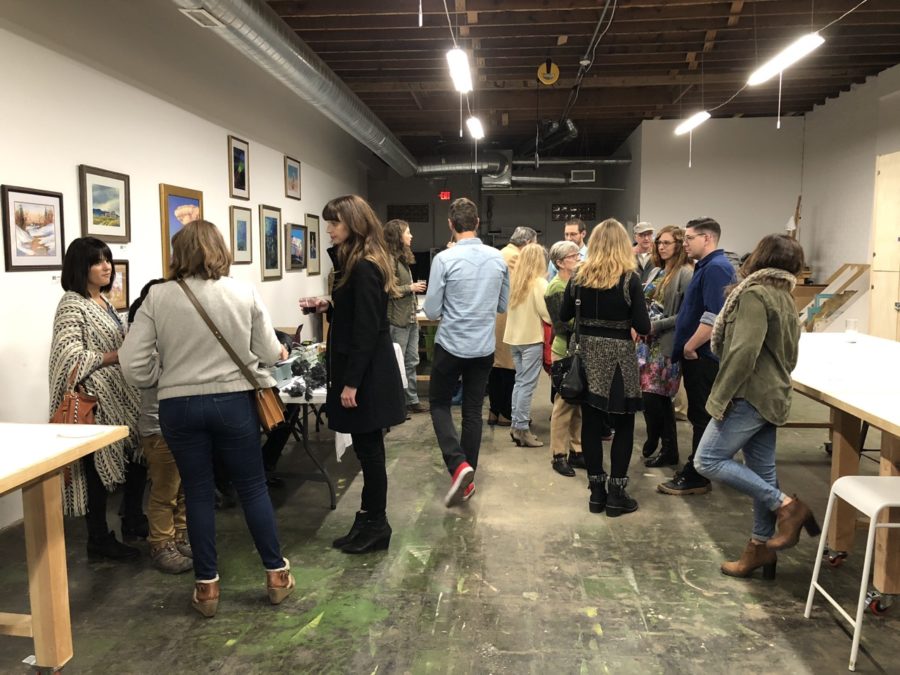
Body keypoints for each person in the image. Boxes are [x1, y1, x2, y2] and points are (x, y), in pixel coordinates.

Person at [120, 220, 294, 617]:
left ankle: (207, 587)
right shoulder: (242, 290)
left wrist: (163, 377)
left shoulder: (158, 297)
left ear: (178, 254)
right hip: (233, 402)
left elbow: (133, 367)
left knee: (197, 492)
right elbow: (268, 352)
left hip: (178, 406)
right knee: (252, 487)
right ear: (220, 249)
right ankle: (276, 575)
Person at [695, 234, 819, 578]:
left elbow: (742, 352)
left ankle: (788, 507)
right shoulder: (784, 297)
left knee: (707, 460)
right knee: (762, 473)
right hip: (773, 395)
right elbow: (790, 356)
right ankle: (759, 550)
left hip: (748, 395)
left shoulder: (752, 295)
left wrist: (719, 397)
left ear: (758, 259)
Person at [317, 195, 407, 554]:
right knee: (369, 452)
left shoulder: (366, 266)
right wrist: (330, 305)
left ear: (353, 224)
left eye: (335, 223)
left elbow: (367, 328)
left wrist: (352, 382)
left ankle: (376, 523)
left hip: (366, 375)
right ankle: (369, 519)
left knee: (370, 453)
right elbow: (357, 312)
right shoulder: (355, 264)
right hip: (363, 370)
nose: (329, 229)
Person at [49, 237, 144, 561]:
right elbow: (68, 356)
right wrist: (119, 354)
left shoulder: (103, 301)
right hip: (94, 400)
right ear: (81, 267)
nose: (107, 267)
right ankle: (98, 538)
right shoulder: (72, 303)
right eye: (98, 261)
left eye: (108, 260)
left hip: (120, 395)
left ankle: (133, 518)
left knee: (135, 458)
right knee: (96, 471)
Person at [560, 219, 651, 517]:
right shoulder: (629, 279)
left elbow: (563, 316)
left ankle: (596, 492)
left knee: (591, 422)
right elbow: (643, 325)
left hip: (586, 355)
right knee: (623, 424)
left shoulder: (578, 277)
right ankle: (616, 494)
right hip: (618, 358)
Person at [424, 197, 509, 507]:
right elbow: (502, 305)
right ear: (477, 224)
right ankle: (467, 479)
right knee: (473, 410)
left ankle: (458, 465)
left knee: (438, 403)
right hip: (483, 347)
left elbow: (432, 310)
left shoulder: (444, 260)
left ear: (451, 225)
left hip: (451, 345)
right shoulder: (498, 258)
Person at [657, 217, 736, 496]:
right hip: (696, 354)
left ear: (708, 239)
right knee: (697, 413)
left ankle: (698, 473)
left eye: (690, 238)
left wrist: (691, 346)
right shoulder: (707, 266)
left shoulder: (717, 268)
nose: (685, 243)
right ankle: (698, 468)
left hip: (702, 355)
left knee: (701, 414)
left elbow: (716, 315)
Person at [127, 279, 193, 574]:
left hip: (179, 424)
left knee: (181, 488)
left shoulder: (171, 337)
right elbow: (145, 375)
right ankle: (161, 543)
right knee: (164, 490)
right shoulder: (148, 344)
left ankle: (179, 536)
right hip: (157, 427)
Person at [638, 226, 694, 468]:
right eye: (659, 242)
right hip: (646, 344)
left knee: (659, 400)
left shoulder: (685, 273)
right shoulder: (657, 271)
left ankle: (667, 447)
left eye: (667, 243)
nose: (661, 246)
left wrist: (655, 325)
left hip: (666, 344)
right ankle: (656, 439)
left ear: (679, 245)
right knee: (649, 399)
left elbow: (686, 315)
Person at [504, 242, 552, 447]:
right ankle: (522, 429)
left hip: (514, 339)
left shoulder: (514, 281)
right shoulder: (539, 283)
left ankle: (516, 425)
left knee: (519, 382)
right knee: (527, 385)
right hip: (531, 339)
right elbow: (547, 314)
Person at [544, 240, 585, 476]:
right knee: (563, 403)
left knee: (576, 403)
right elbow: (562, 323)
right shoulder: (557, 287)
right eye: (573, 256)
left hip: (575, 348)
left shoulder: (572, 282)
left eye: (578, 254)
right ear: (560, 262)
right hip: (564, 349)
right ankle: (558, 454)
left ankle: (577, 450)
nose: (578, 258)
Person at [488, 226, 536, 426]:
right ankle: (506, 413)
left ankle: (494, 410)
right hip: (509, 316)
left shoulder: (501, 253)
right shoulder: (517, 258)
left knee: (496, 365)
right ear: (526, 243)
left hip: (494, 317)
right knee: (509, 367)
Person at [384, 219, 428, 414]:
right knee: (397, 364)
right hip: (397, 321)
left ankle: (411, 400)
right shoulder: (389, 260)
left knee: (412, 361)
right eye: (407, 232)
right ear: (397, 236)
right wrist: (410, 287)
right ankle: (397, 403)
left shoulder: (402, 259)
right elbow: (386, 289)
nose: (411, 236)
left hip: (410, 319)